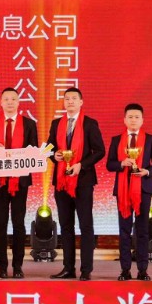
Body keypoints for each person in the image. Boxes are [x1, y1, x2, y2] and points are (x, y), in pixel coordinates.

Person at [0, 87, 41, 278]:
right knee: (0, 222)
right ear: (0, 102)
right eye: (6, 99)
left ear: (18, 102)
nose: (9, 102)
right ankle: (2, 265)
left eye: (13, 99)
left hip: (20, 180)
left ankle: (18, 266)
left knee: (18, 223)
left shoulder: (29, 124)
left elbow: (34, 150)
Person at [46, 87, 104, 279]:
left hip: (83, 181)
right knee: (66, 226)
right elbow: (48, 147)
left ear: (81, 102)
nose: (70, 101)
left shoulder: (89, 124)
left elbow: (100, 151)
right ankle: (68, 268)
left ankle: (86, 270)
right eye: (67, 99)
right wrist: (54, 156)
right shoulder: (56, 124)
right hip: (62, 181)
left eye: (73, 98)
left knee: (85, 225)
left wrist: (81, 165)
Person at [105, 103, 152, 281]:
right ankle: (125, 270)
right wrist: (121, 163)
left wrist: (147, 171)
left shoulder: (150, 139)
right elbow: (110, 164)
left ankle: (143, 270)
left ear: (142, 120)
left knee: (142, 230)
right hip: (123, 190)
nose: (133, 120)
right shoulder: (117, 140)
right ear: (124, 120)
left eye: (136, 117)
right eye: (130, 117)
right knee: (124, 230)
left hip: (143, 189)